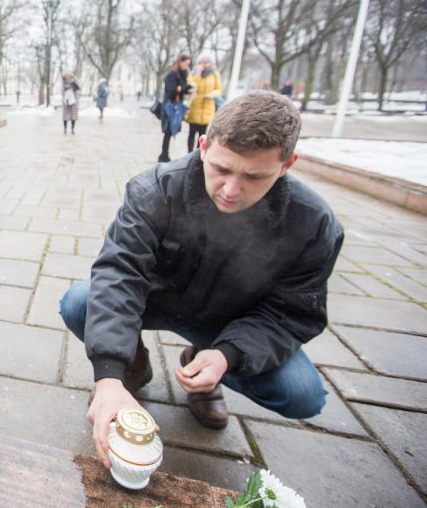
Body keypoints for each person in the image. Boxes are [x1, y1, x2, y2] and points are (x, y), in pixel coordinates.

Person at [58, 91, 343, 469]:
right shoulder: (155, 191)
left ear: (287, 164)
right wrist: (108, 376)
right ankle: (133, 366)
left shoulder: (313, 225)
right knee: (81, 301)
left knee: (303, 395)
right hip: (157, 300)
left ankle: (204, 364)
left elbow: (291, 314)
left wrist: (228, 355)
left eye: (254, 177)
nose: (230, 190)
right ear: (205, 146)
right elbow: (119, 275)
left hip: (232, 321)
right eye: (222, 169)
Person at [158, 54, 193, 163]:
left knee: (171, 131)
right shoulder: (171, 75)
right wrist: (186, 88)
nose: (186, 66)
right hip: (170, 107)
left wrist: (187, 89)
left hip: (177, 106)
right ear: (180, 62)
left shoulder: (184, 75)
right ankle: (164, 155)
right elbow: (172, 90)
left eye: (188, 64)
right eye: (185, 63)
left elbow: (181, 89)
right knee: (168, 131)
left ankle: (164, 154)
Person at [185, 54, 222, 153]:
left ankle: (198, 153)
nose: (204, 65)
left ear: (210, 64)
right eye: (202, 63)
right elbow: (190, 86)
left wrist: (213, 94)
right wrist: (198, 74)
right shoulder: (194, 73)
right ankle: (189, 153)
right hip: (195, 106)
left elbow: (219, 89)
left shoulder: (215, 74)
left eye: (206, 62)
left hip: (207, 107)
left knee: (202, 135)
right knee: (191, 133)